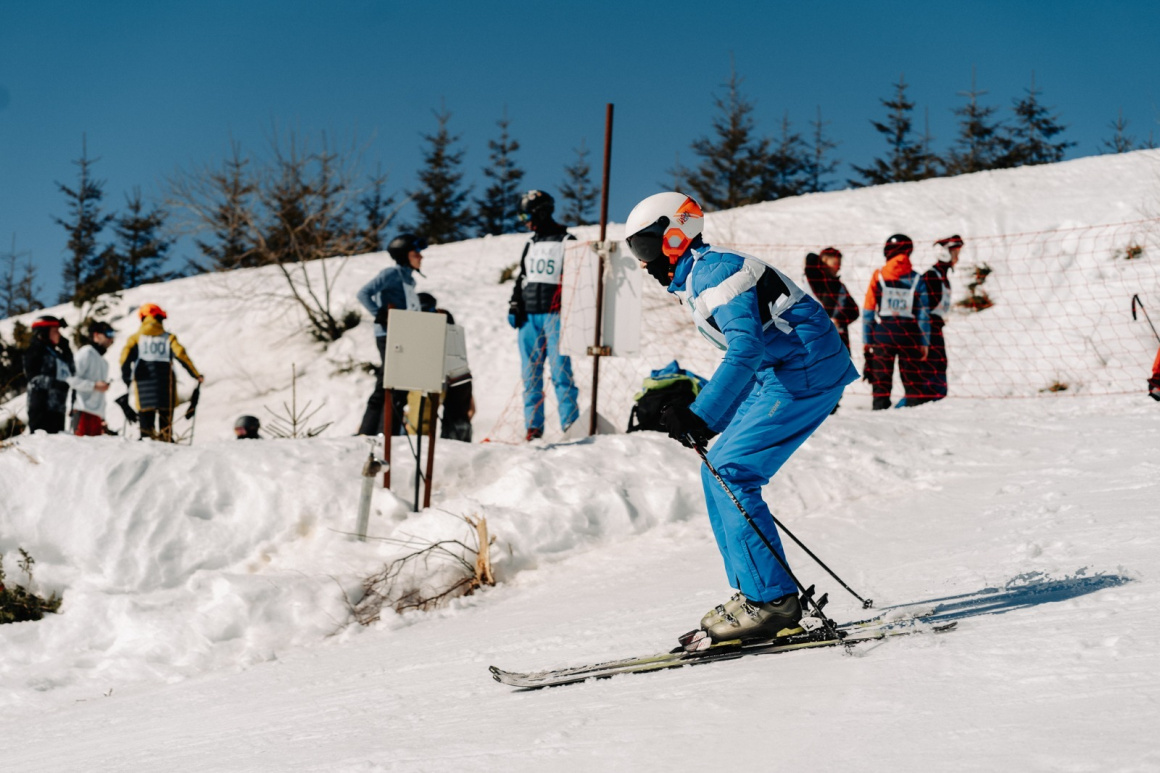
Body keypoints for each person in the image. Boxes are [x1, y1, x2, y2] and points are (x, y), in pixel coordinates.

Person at [625, 192, 858, 643]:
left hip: (806, 368)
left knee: (731, 472)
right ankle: (756, 592)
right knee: (718, 472)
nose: (645, 262)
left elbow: (746, 348)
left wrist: (703, 414)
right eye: (638, 251)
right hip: (783, 370)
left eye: (647, 247)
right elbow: (753, 356)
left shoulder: (716, 271)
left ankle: (773, 602)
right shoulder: (699, 277)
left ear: (675, 234)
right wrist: (705, 418)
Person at [507, 190, 579, 440]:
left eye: (527, 215)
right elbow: (523, 277)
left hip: (555, 316)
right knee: (530, 375)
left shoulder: (567, 240)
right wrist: (515, 303)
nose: (525, 221)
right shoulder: (531, 243)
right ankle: (533, 427)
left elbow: (577, 280)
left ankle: (571, 425)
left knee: (561, 373)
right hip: (529, 317)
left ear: (541, 212)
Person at [356, 233, 426, 436]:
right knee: (393, 384)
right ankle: (384, 433)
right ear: (404, 256)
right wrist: (379, 313)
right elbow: (363, 293)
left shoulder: (409, 280)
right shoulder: (391, 274)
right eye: (416, 253)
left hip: (404, 334)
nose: (421, 257)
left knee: (391, 383)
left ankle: (374, 431)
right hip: (389, 334)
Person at [862, 234, 932, 410]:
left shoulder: (878, 276)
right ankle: (914, 410)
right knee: (912, 380)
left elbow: (868, 311)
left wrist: (867, 340)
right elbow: (924, 314)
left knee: (881, 379)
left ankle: (879, 410)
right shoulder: (917, 278)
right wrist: (924, 341)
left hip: (883, 333)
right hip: (909, 334)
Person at [120, 303, 204, 441]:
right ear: (160, 318)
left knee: (146, 429)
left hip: (143, 387)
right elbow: (182, 355)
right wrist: (195, 375)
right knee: (166, 428)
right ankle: (167, 445)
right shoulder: (168, 338)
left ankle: (146, 445)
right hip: (166, 386)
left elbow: (124, 359)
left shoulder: (135, 339)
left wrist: (126, 377)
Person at [921, 235, 962, 402]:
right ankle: (931, 400)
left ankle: (938, 399)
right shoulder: (932, 277)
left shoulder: (942, 276)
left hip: (936, 328)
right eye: (955, 252)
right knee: (933, 366)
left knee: (939, 364)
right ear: (944, 253)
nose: (957, 257)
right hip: (928, 330)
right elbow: (923, 308)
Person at [22, 315, 75, 434]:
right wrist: (56, 384)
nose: (59, 335)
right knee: (42, 446)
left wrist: (66, 350)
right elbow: (33, 378)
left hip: (58, 408)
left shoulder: (57, 353)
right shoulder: (35, 350)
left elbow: (72, 372)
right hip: (41, 407)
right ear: (44, 333)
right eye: (55, 331)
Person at [68, 320, 115, 436]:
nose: (111, 338)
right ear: (96, 335)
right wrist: (93, 385)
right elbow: (70, 378)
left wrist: (102, 417)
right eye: (108, 334)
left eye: (112, 334)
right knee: (81, 450)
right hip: (82, 410)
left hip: (97, 415)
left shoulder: (104, 362)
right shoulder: (86, 352)